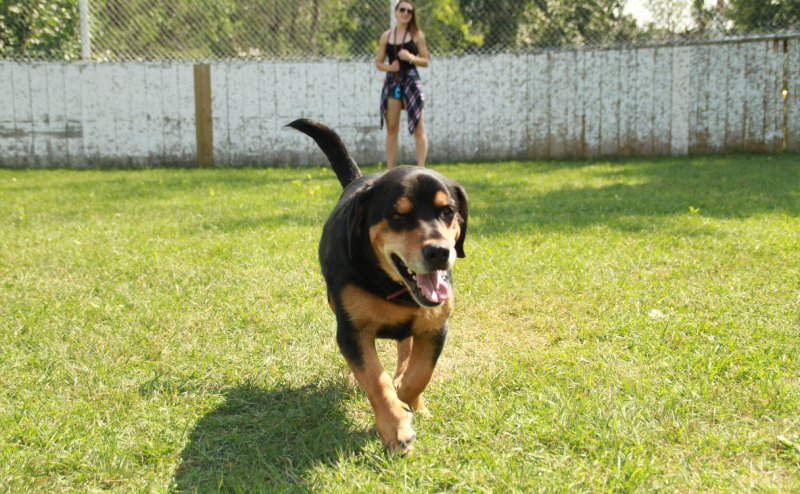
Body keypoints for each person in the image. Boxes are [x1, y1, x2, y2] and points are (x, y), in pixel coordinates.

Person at [376, 0, 429, 169]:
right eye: (402, 10)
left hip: (411, 82)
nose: (405, 13)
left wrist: (411, 58)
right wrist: (390, 67)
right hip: (394, 81)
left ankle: (422, 168)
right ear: (396, 12)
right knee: (391, 128)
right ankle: (390, 170)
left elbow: (425, 61)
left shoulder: (417, 34)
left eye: (409, 11)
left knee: (418, 128)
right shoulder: (387, 36)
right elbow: (379, 63)